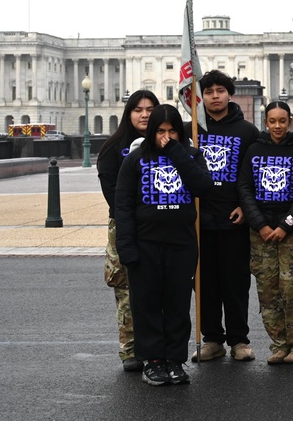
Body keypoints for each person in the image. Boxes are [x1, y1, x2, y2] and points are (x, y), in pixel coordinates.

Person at [114, 104, 214, 386]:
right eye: (160, 131)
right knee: (146, 305)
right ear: (151, 132)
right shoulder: (135, 160)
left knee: (177, 305)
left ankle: (174, 359)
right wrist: (127, 248)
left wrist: (177, 153)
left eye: (172, 131)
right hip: (145, 244)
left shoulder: (191, 156)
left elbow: (203, 187)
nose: (166, 137)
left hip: (181, 244)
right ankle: (153, 360)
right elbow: (122, 207)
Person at [191, 70, 260, 363]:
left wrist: (246, 208)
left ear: (229, 94)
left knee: (235, 283)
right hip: (199, 222)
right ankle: (212, 339)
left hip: (234, 220)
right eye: (208, 91)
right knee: (204, 284)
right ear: (201, 96)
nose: (214, 96)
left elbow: (256, 176)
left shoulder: (247, 132)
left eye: (220, 90)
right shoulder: (192, 130)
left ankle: (239, 340)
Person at [238, 101, 293, 365]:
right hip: (260, 232)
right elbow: (244, 188)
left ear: (289, 121)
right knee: (267, 291)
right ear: (265, 122)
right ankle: (279, 344)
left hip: (290, 232)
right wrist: (261, 224)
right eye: (272, 121)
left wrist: (285, 225)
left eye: (282, 121)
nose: (277, 126)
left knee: (291, 290)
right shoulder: (254, 149)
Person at [96, 89, 159, 372]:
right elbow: (113, 196)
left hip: (159, 226)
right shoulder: (113, 149)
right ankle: (130, 349)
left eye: (150, 109)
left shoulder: (167, 143)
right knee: (125, 291)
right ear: (128, 113)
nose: (144, 114)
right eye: (138, 109)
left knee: (156, 291)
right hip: (124, 227)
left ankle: (156, 348)